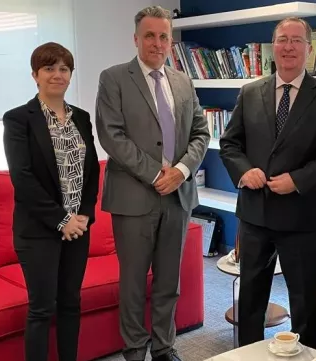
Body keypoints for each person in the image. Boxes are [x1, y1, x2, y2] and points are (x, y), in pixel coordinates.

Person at [219, 16, 316, 348]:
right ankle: (248, 354)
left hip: (303, 216)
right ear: (272, 47)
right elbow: (230, 143)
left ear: (308, 48)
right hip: (255, 215)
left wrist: (298, 180)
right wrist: (244, 170)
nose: (288, 46)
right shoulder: (249, 92)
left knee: (305, 302)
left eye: (296, 40)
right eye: (282, 40)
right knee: (250, 300)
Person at [94, 6, 210, 361]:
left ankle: (163, 348)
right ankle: (134, 352)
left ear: (170, 41)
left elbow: (201, 133)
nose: (157, 43)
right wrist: (156, 173)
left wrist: (182, 171)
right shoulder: (113, 78)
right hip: (133, 198)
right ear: (136, 38)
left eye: (163, 36)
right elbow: (111, 136)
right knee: (132, 284)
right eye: (149, 35)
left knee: (168, 283)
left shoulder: (183, 81)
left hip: (178, 196)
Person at [3, 42, 100, 361]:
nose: (57, 75)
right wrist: (62, 219)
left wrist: (84, 215)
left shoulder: (82, 119)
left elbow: (90, 171)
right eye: (49, 68)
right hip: (39, 231)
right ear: (35, 75)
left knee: (71, 303)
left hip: (78, 229)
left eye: (63, 68)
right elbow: (23, 177)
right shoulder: (19, 119)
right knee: (42, 309)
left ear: (71, 74)